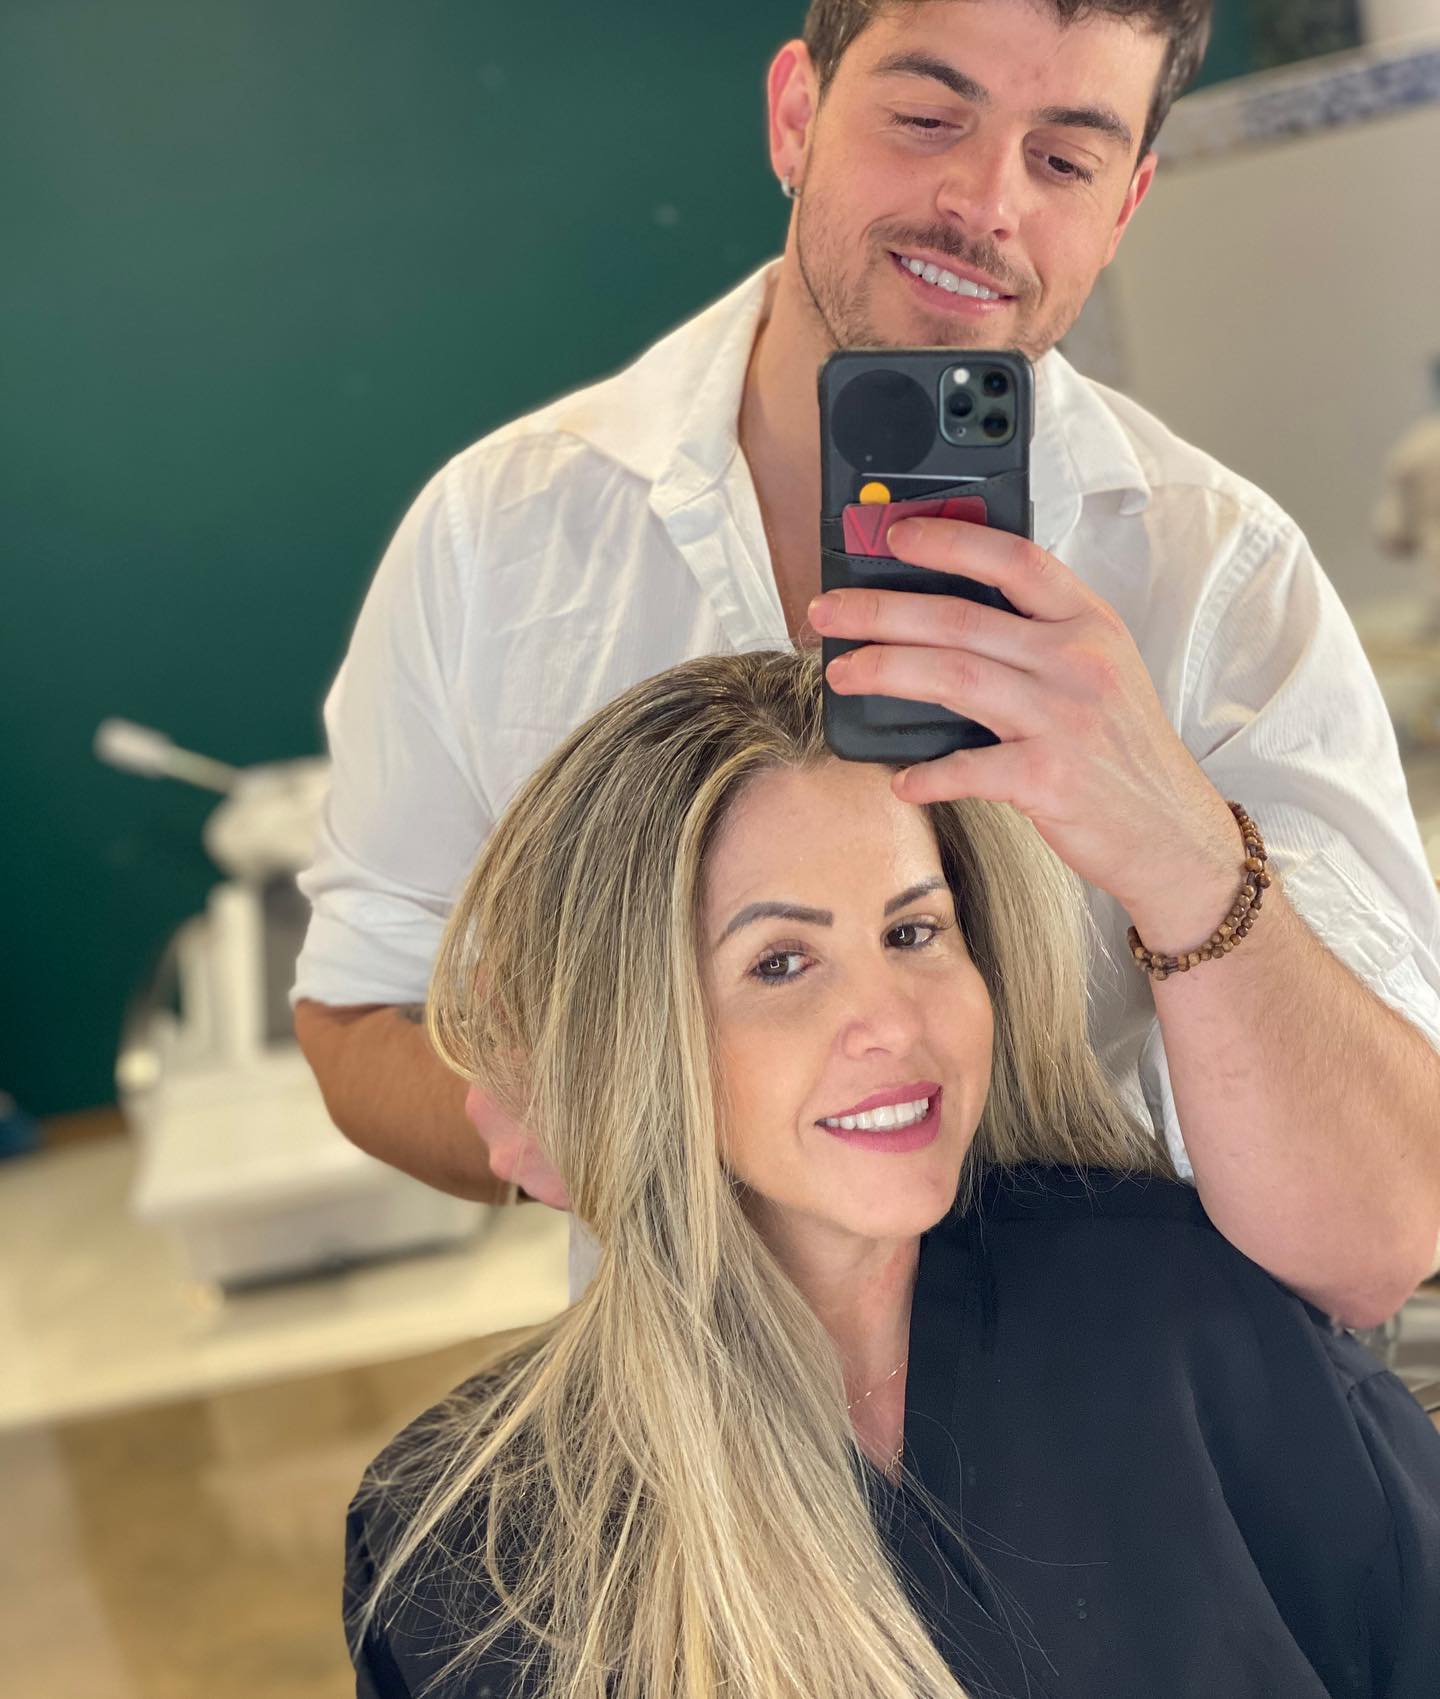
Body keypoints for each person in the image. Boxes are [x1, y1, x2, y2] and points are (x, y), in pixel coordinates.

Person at [293, 0, 1440, 1326]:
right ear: (796, 117)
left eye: (1064, 160)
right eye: (927, 117)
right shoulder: (499, 540)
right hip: (715, 1426)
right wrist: (560, 1124)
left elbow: (1381, 1239)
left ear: (1124, 206)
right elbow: (359, 1015)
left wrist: (1179, 844)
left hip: (1155, 1419)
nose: (986, 203)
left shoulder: (1225, 582)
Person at [344, 650, 1440, 1699]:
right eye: (782, 962)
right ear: (631, 1036)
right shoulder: (463, 1548)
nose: (891, 1022)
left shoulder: (1195, 1321)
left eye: (914, 931)